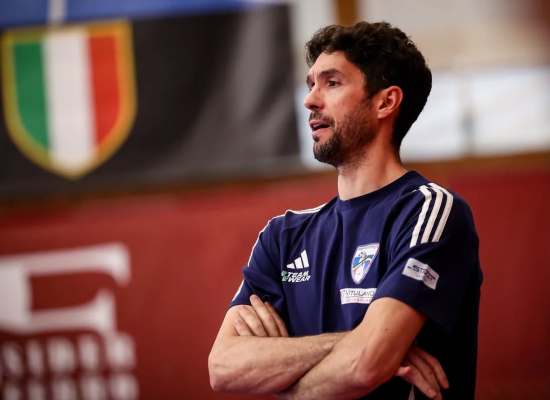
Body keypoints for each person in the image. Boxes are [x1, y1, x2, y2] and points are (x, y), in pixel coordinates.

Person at [208, 21, 482, 400]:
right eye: (311, 85)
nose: (310, 100)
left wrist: (284, 382)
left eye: (332, 83)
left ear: (385, 102)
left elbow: (366, 364)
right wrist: (351, 341)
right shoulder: (283, 236)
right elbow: (223, 368)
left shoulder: (429, 210)